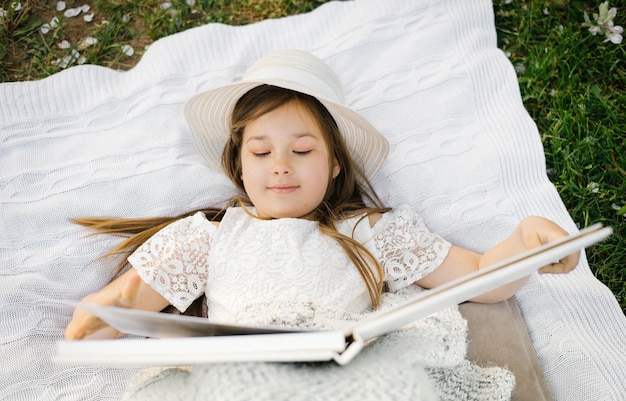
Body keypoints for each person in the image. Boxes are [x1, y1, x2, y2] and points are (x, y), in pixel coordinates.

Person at [64, 49, 579, 340]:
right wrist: (94, 320)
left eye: (303, 151)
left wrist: (527, 243)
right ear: (240, 170)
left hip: (348, 376)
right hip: (242, 381)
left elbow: (481, 281)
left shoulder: (371, 233)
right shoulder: (210, 238)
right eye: (261, 154)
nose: (281, 165)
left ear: (334, 165)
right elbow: (124, 304)